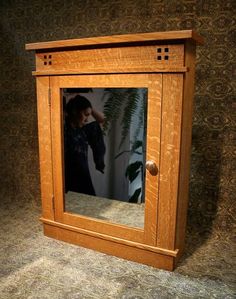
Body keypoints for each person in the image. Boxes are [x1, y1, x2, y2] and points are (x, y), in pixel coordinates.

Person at [64, 95, 106, 196]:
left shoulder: (83, 131)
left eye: (89, 115)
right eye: (85, 115)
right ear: (75, 111)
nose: (87, 119)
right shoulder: (63, 130)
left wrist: (89, 107)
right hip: (68, 181)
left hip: (84, 178)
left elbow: (102, 119)